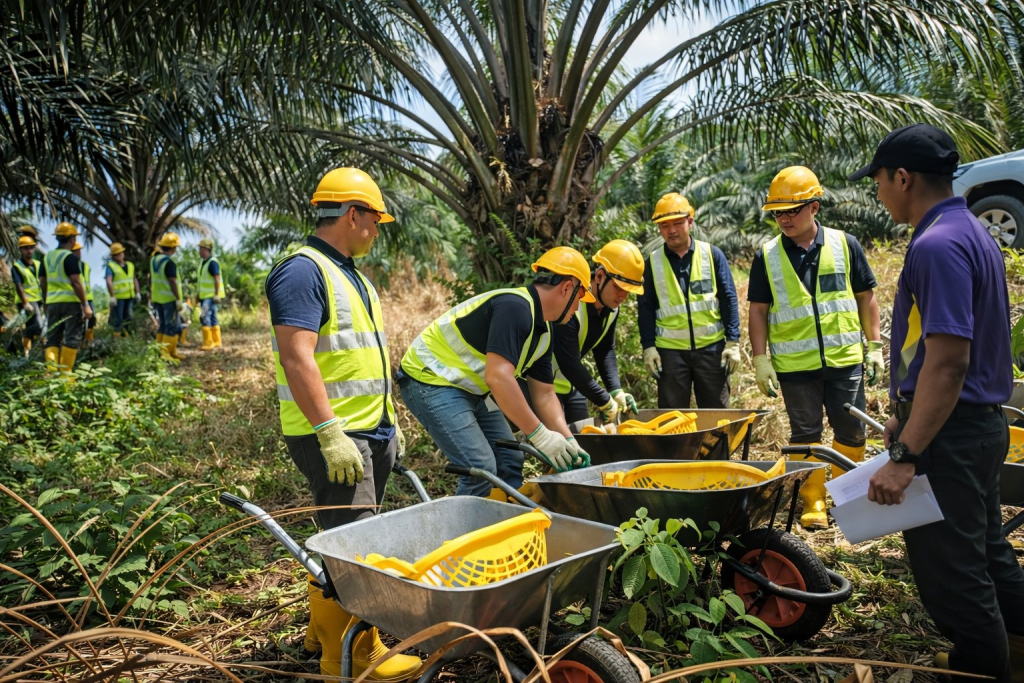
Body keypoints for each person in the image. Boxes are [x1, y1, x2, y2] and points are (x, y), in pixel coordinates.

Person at [853, 123, 1024, 682]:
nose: (878, 192)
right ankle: (1013, 652)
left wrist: (906, 453)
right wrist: (904, 406)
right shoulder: (971, 231)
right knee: (989, 553)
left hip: (952, 435)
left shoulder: (936, 245)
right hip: (974, 425)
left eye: (879, 180)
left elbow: (950, 361)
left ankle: (982, 669)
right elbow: (935, 353)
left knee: (953, 579)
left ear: (903, 178)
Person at [264, 167, 420, 680]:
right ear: (353, 214)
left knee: (347, 537)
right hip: (335, 435)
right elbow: (297, 357)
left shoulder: (351, 273)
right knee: (357, 550)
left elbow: (362, 360)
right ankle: (354, 658)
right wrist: (330, 432)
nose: (377, 230)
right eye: (374, 220)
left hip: (367, 430)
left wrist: (387, 426)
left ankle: (321, 636)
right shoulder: (303, 270)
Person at [399, 247, 595, 497]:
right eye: (579, 298)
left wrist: (568, 441)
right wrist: (541, 436)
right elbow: (498, 377)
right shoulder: (515, 307)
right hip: (430, 380)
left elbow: (544, 394)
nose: (578, 307)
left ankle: (504, 521)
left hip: (470, 389)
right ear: (567, 287)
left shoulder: (543, 332)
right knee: (481, 468)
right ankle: (464, 532)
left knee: (509, 458)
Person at [747, 166, 882, 529]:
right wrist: (761, 359)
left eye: (792, 210)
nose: (784, 219)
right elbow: (758, 311)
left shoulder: (844, 244)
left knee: (852, 433)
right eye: (778, 213)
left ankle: (846, 496)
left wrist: (874, 346)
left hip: (845, 360)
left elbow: (866, 298)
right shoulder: (767, 255)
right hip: (795, 367)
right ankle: (813, 502)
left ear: (815, 207)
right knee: (805, 434)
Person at [638, 192, 741, 409]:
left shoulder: (712, 255)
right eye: (665, 225)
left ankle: (717, 446)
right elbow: (645, 308)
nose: (671, 230)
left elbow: (728, 299)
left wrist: (733, 342)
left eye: (677, 223)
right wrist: (649, 347)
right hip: (670, 354)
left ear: (690, 222)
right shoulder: (652, 264)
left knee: (717, 417)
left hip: (712, 350)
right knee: (672, 418)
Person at [549, 240, 644, 425]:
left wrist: (615, 391)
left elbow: (605, 349)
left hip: (571, 385)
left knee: (586, 441)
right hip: (541, 386)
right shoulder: (570, 304)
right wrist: (603, 399)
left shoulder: (612, 309)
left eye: (628, 291)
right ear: (599, 276)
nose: (622, 296)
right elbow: (568, 363)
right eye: (618, 287)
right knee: (556, 445)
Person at [40, 222, 92, 373]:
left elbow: (42, 281)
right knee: (72, 338)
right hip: (70, 303)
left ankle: (51, 372)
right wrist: (85, 305)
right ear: (71, 239)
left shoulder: (47, 257)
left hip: (53, 303)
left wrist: (46, 299)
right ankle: (65, 375)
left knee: (53, 338)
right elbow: (76, 283)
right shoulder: (69, 257)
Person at [150, 232, 186, 361]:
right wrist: (178, 299)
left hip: (157, 298)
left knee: (163, 326)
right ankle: (166, 354)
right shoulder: (169, 263)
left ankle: (164, 351)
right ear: (173, 248)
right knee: (172, 327)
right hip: (169, 299)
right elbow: (172, 281)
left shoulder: (154, 260)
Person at [11, 236, 44, 355]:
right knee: (38, 325)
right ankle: (29, 350)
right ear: (21, 250)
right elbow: (18, 285)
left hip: (38, 299)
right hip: (27, 302)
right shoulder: (17, 266)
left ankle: (27, 352)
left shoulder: (38, 264)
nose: (29, 251)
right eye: (26, 248)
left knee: (33, 326)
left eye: (31, 248)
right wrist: (25, 303)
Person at [105, 242, 140, 337]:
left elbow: (134, 279)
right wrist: (112, 296)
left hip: (130, 296)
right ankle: (117, 340)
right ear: (113, 256)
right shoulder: (111, 266)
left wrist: (137, 292)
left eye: (121, 253)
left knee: (128, 318)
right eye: (117, 254)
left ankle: (126, 337)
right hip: (118, 298)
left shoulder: (130, 265)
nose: (119, 255)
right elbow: (109, 281)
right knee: (118, 319)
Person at [196, 238, 225, 350]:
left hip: (210, 296)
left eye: (200, 248)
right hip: (205, 295)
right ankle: (217, 341)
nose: (199, 251)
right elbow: (201, 281)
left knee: (205, 317)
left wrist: (216, 294)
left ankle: (208, 343)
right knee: (212, 317)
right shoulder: (203, 263)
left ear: (206, 249)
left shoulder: (212, 263)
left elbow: (216, 278)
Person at [70, 242, 96, 347]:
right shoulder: (70, 265)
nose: (78, 253)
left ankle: (89, 338)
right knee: (78, 321)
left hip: (88, 297)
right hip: (76, 298)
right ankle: (80, 343)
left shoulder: (86, 266)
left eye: (79, 250)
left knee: (92, 318)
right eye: (76, 251)